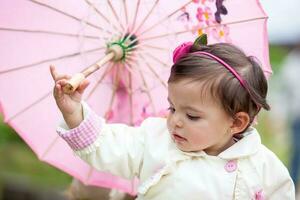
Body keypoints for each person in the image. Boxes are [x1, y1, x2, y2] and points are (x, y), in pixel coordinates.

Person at [50, 35, 295, 199]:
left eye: (192, 116)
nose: (175, 121)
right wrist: (74, 113)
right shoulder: (155, 139)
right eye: (172, 108)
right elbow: (108, 142)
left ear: (236, 122)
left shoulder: (264, 168)